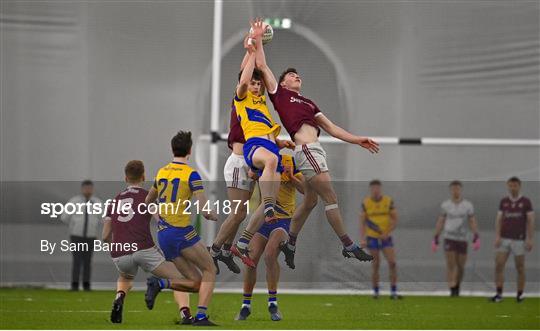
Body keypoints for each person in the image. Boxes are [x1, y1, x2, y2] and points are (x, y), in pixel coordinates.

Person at [251, 18, 378, 268]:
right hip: (307, 151)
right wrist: (257, 39)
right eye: (290, 75)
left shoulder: (309, 103)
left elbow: (332, 128)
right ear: (283, 82)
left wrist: (357, 140)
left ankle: (291, 242)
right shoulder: (280, 94)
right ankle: (348, 245)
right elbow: (262, 65)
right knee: (331, 196)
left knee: (310, 201)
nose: (295, 76)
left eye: (297, 75)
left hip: (316, 151)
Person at [102, 160, 199, 324]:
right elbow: (160, 219)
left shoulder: (114, 200)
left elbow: (105, 236)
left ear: (126, 178)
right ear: (144, 176)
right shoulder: (147, 197)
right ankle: (185, 314)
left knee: (125, 276)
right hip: (144, 249)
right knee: (179, 278)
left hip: (120, 252)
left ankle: (119, 297)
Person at [230, 27, 294, 266]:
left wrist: (258, 45)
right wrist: (254, 44)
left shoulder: (261, 101)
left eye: (259, 84)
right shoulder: (242, 96)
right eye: (253, 83)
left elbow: (262, 67)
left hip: (269, 147)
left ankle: (242, 244)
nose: (256, 86)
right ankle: (267, 208)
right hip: (255, 148)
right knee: (271, 164)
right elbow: (244, 78)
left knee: (274, 201)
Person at [144, 131, 219, 326]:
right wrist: (212, 214)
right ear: (190, 150)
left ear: (172, 149)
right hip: (181, 231)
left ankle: (160, 283)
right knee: (210, 268)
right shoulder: (191, 174)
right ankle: (201, 317)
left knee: (195, 283)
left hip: (164, 234)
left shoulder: (161, 172)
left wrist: (157, 215)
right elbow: (204, 210)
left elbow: (147, 201)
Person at [236, 154, 304, 321]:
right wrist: (251, 175)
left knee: (270, 254)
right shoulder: (263, 160)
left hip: (283, 219)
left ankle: (272, 303)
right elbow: (249, 178)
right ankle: (246, 305)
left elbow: (304, 190)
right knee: (251, 258)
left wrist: (292, 176)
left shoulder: (291, 161)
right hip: (264, 218)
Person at [432, 180, 479, 297]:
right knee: (451, 263)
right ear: (450, 190)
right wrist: (436, 236)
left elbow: (472, 221)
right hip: (449, 237)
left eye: (457, 189)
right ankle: (452, 288)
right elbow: (441, 220)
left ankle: (457, 285)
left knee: (461, 266)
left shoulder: (468, 205)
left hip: (462, 238)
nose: (455, 191)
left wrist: (476, 235)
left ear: (461, 190)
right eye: (453, 189)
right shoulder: (445, 205)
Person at [491, 177, 535, 303]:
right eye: (510, 186)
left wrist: (530, 239)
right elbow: (499, 219)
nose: (512, 188)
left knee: (520, 267)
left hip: (519, 240)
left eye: (515, 185)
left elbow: (531, 221)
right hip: (504, 239)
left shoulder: (526, 202)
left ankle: (520, 294)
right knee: (499, 265)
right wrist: (498, 236)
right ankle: (499, 294)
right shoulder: (504, 201)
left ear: (519, 186)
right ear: (507, 186)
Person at [360, 180, 401, 299]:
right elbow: (362, 222)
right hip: (372, 237)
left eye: (377, 188)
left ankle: (393, 292)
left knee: (392, 263)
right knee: (376, 264)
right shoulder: (366, 203)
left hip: (385, 237)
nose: (376, 190)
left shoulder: (388, 201)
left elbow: (395, 219)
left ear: (380, 189)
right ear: (370, 189)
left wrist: (387, 232)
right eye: (373, 188)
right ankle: (376, 291)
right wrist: (363, 239)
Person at [61, 180, 102, 291]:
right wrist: (74, 225)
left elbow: (102, 218)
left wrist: (94, 226)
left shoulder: (97, 202)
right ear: (82, 189)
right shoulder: (74, 201)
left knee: (88, 262)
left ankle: (86, 285)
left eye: (90, 188)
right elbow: (64, 217)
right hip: (76, 236)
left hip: (90, 236)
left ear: (92, 189)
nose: (88, 190)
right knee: (77, 261)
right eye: (86, 188)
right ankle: (74, 286)